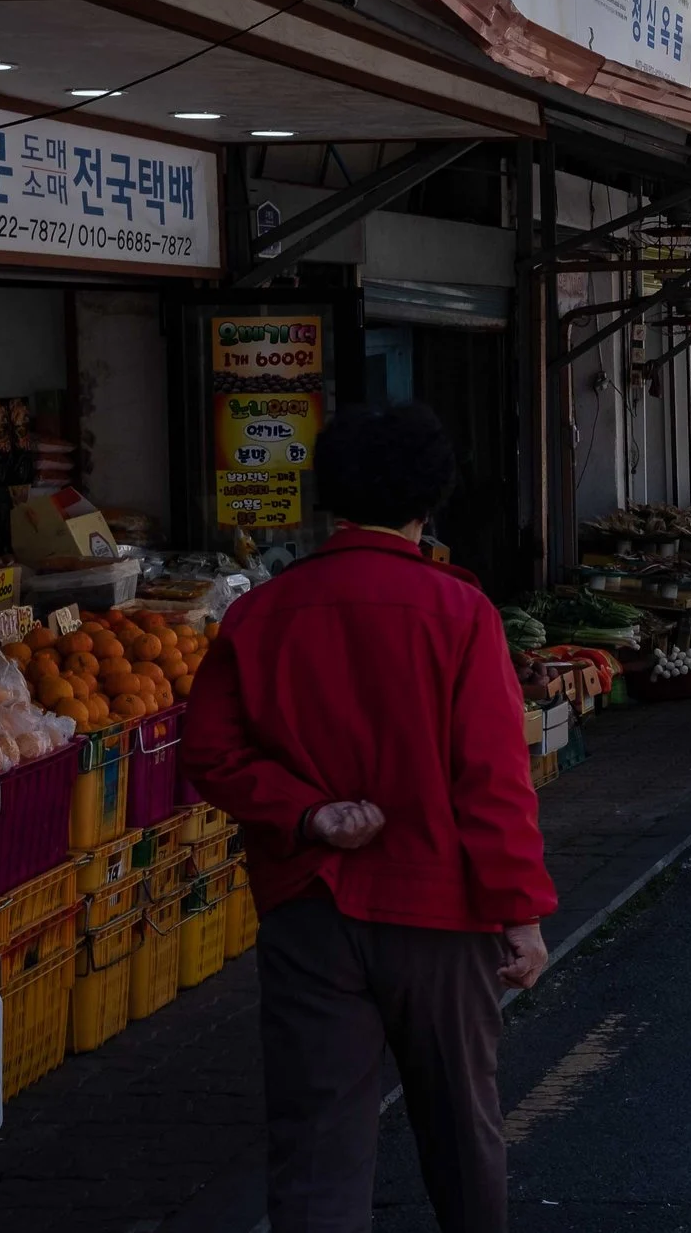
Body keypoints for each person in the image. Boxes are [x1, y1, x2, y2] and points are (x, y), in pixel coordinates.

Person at [181, 404, 556, 1233]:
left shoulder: (260, 613)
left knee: (318, 1143)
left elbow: (208, 754)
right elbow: (492, 782)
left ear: (330, 498)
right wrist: (520, 911)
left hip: (308, 905)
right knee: (462, 1127)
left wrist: (309, 815)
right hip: (442, 911)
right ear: (430, 502)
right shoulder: (459, 613)